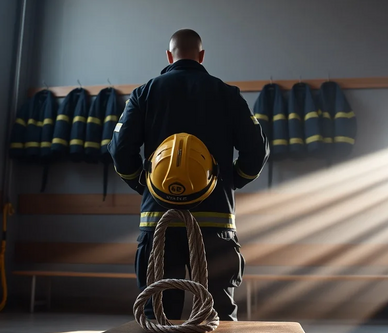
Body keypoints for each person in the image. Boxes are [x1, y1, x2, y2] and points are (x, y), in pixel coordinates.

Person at [108, 29, 269, 321]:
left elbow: (120, 151)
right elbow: (256, 152)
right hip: (215, 222)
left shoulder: (144, 93)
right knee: (216, 316)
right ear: (202, 56)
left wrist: (145, 185)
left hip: (159, 222)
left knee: (157, 315)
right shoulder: (227, 94)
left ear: (169, 56)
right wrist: (229, 181)